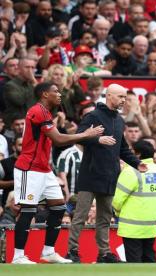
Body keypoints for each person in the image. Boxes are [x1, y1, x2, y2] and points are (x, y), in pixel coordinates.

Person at [12, 82, 104, 264]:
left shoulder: (46, 113)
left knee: (59, 207)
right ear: (45, 94)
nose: (60, 94)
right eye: (55, 91)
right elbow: (59, 139)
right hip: (29, 169)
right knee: (28, 210)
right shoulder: (38, 111)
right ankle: (18, 256)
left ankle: (48, 252)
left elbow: (54, 139)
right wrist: (86, 134)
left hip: (44, 169)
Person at [67, 84, 148, 263]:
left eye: (125, 97)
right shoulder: (93, 116)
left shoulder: (119, 120)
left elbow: (123, 148)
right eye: (120, 97)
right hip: (90, 173)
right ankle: (72, 251)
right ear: (109, 96)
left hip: (110, 175)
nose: (123, 100)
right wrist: (97, 139)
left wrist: (137, 163)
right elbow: (78, 136)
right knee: (80, 216)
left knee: (105, 218)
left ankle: (104, 253)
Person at [112, 140, 156, 263]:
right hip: (151, 224)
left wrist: (118, 213)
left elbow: (117, 200)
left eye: (131, 151)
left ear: (138, 154)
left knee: (134, 262)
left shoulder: (131, 170)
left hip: (132, 225)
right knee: (149, 257)